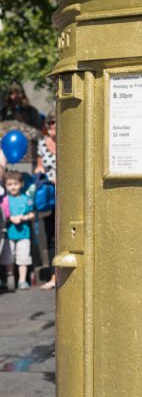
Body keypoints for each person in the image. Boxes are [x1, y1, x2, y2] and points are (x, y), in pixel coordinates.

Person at [0, 170, 35, 290]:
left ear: (21, 184)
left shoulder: (26, 199)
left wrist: (24, 217)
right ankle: (10, 277)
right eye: (9, 184)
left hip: (24, 234)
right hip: (8, 234)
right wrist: (10, 219)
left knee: (23, 258)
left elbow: (32, 214)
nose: (13, 187)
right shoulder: (4, 200)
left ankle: (22, 280)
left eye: (15, 184)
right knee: (8, 258)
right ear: (5, 186)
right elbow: (3, 216)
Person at [34, 111, 56, 290]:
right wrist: (39, 173)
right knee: (50, 234)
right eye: (50, 123)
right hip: (49, 193)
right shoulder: (42, 144)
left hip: (66, 193)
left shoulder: (67, 141)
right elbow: (40, 166)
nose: (53, 126)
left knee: (63, 234)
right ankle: (54, 275)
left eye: (55, 122)